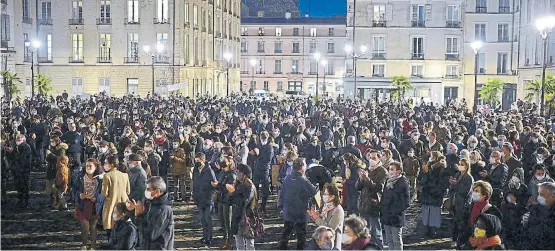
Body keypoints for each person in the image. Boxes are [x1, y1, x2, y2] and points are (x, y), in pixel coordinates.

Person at [279, 158, 318, 250]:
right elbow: (313, 191)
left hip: (288, 209)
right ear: (302, 168)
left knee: (286, 231)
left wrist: (281, 206)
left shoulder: (287, 177)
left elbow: (282, 193)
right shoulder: (303, 180)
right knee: (301, 235)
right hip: (301, 211)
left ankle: (282, 247)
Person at [128, 176, 175, 249]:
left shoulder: (163, 209)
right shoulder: (152, 204)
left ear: (157, 191)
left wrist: (139, 215)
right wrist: (134, 211)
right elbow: (143, 224)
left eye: (148, 189)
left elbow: (150, 234)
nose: (146, 192)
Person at [457, 181, 502, 249]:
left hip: (485, 244)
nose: (474, 193)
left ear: (484, 194)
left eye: (477, 191)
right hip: (469, 240)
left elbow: (495, 231)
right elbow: (465, 224)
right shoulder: (470, 207)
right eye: (473, 190)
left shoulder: (493, 211)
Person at [355, 149, 387, 248]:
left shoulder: (382, 171)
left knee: (376, 232)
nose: (371, 160)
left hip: (374, 205)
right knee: (364, 232)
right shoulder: (368, 169)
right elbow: (358, 187)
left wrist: (367, 179)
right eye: (370, 158)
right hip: (364, 204)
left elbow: (378, 187)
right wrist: (361, 179)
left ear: (379, 159)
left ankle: (379, 248)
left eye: (374, 158)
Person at [73, 159, 102, 250]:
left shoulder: (100, 178)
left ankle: (93, 246)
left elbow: (103, 192)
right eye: (87, 165)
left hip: (94, 205)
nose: (88, 168)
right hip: (83, 204)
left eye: (90, 166)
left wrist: (96, 198)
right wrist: (79, 195)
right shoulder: (80, 176)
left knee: (93, 227)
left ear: (96, 167)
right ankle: (84, 245)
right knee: (85, 227)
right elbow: (74, 189)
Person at [380, 161, 410, 250]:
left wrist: (394, 212)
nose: (390, 171)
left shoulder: (403, 183)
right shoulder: (388, 180)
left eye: (392, 169)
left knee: (396, 239)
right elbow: (384, 196)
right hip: (386, 215)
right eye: (389, 169)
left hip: (396, 216)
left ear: (398, 171)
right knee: (389, 239)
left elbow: (406, 202)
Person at [227, 164, 257, 250]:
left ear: (244, 174)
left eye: (238, 172)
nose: (236, 173)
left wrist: (233, 193)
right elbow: (229, 202)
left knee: (249, 244)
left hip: (247, 218)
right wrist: (231, 193)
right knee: (239, 244)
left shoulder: (249, 186)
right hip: (237, 217)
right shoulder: (237, 185)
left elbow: (244, 203)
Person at [420, 151, 449, 237]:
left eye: (432, 157)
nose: (430, 158)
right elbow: (423, 180)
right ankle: (427, 229)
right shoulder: (428, 167)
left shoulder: (441, 168)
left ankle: (434, 231)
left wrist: (427, 173)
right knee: (427, 213)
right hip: (427, 194)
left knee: (434, 213)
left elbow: (436, 182)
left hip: (435, 194)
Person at [307, 183, 345, 249]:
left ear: (332, 196)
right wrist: (314, 215)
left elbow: (330, 229)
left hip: (332, 245)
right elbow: (321, 220)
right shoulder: (326, 206)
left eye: (325, 194)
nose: (323, 196)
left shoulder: (338, 210)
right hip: (322, 242)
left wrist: (317, 218)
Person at [520, 182, 555, 249]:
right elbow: (527, 228)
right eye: (538, 194)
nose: (539, 197)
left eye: (542, 195)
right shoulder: (536, 208)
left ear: (553, 196)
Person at [102, 155, 130, 238]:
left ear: (112, 164)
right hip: (124, 203)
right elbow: (128, 191)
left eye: (106, 163)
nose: (104, 165)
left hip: (111, 204)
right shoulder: (125, 175)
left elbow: (104, 193)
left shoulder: (107, 176)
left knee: (110, 225)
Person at [192, 152, 217, 245]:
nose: (197, 163)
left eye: (198, 161)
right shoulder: (195, 170)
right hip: (198, 198)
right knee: (202, 219)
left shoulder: (209, 170)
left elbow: (214, 185)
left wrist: (209, 197)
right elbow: (194, 183)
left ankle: (209, 237)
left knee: (208, 219)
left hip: (207, 199)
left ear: (203, 160)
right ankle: (204, 236)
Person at [214, 156, 237, 250]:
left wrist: (219, 185)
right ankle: (225, 240)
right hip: (221, 199)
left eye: (225, 161)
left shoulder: (232, 175)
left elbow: (229, 189)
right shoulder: (223, 173)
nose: (223, 162)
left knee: (228, 223)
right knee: (222, 222)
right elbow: (220, 186)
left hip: (228, 201)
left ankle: (230, 242)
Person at [449, 158, 474, 243]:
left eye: (462, 164)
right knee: (455, 222)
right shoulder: (457, 175)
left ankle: (461, 241)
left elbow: (465, 192)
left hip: (463, 204)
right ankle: (454, 239)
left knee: (461, 223)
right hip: (455, 201)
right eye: (459, 164)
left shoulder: (469, 178)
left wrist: (455, 185)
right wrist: (451, 184)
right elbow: (452, 188)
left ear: (467, 166)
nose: (460, 166)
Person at [6, 134, 33, 207]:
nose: (17, 141)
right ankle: (20, 199)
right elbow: (12, 158)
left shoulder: (26, 147)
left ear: (23, 140)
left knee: (24, 185)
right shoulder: (16, 147)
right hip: (16, 169)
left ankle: (25, 201)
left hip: (24, 170)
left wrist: (14, 151)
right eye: (16, 140)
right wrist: (10, 152)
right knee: (18, 185)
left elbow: (23, 159)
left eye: (19, 140)